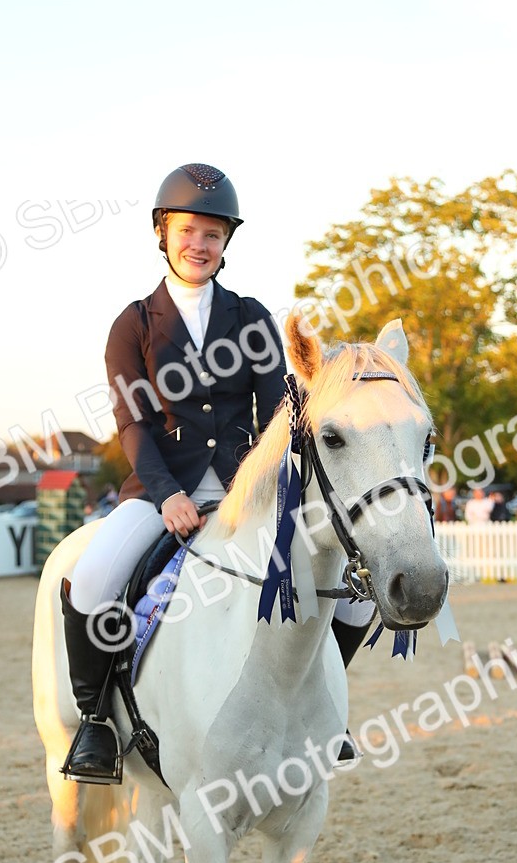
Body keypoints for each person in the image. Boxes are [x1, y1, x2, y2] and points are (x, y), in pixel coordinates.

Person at [60, 163, 370, 780]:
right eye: (187, 231)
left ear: (226, 244)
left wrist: (267, 489)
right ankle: (95, 721)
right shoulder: (134, 324)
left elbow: (280, 414)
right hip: (158, 489)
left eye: (212, 235)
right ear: (162, 233)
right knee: (92, 579)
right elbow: (133, 425)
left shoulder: (251, 317)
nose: (198, 245)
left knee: (353, 593)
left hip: (245, 491)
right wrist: (168, 493)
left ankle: (319, 709)